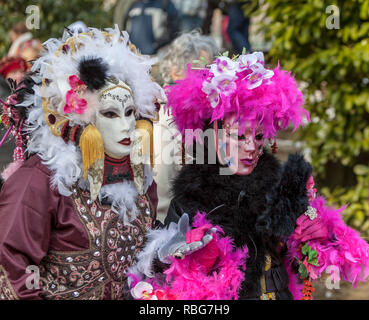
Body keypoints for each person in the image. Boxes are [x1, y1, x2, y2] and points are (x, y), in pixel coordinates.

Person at [127, 51, 369, 300]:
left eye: (260, 136)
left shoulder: (280, 189)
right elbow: (163, 274)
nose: (252, 146)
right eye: (240, 136)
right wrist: (189, 258)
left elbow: (320, 262)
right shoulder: (191, 199)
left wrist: (320, 236)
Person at [0, 25, 165, 299]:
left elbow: (142, 261)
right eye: (110, 114)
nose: (126, 126)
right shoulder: (38, 181)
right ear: (82, 119)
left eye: (130, 113)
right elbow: (10, 267)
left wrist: (171, 251)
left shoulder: (138, 175)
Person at [153, 31, 218, 222]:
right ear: (175, 72)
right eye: (201, 72)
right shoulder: (165, 116)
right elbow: (160, 193)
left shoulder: (205, 114)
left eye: (211, 72)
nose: (209, 80)